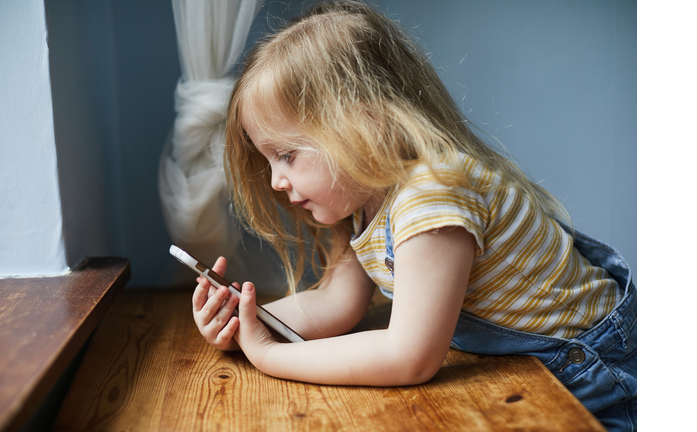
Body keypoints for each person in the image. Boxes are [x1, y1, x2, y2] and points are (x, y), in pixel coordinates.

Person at [191, 1, 636, 430]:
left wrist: (269, 356)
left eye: (286, 154)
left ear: (366, 122)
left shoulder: (431, 194)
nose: (275, 181)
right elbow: (335, 303)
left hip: (590, 373)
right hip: (527, 369)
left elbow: (410, 356)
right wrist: (246, 321)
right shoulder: (362, 200)